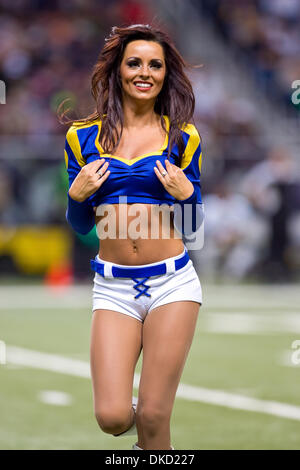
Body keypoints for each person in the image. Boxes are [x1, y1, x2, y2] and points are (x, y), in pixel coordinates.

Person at [61, 24, 204, 451]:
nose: (145, 72)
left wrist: (188, 195)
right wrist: (76, 196)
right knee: (113, 416)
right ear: (118, 71)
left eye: (155, 65)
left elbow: (194, 227)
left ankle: (156, 432)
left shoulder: (184, 137)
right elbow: (82, 224)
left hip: (172, 283)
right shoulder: (82, 136)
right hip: (113, 288)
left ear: (165, 74)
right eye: (135, 63)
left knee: (156, 416)